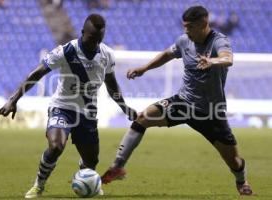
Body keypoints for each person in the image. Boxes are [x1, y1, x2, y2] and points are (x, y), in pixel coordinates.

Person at [101, 6, 253, 196]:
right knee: (142, 118)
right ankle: (117, 166)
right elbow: (167, 54)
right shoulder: (184, 41)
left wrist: (212, 61)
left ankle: (241, 181)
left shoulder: (218, 41)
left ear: (203, 24)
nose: (185, 31)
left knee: (234, 161)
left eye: (189, 27)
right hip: (183, 103)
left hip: (211, 111)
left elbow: (227, 58)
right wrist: (144, 68)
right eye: (184, 27)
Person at [0, 14, 137, 199]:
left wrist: (124, 107)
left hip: (87, 113)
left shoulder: (107, 55)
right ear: (82, 33)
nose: (93, 43)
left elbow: (111, 84)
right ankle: (39, 185)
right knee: (56, 147)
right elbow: (37, 73)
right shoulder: (66, 51)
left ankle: (85, 176)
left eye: (98, 40)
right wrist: (13, 99)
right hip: (63, 107)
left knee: (91, 160)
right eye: (90, 39)